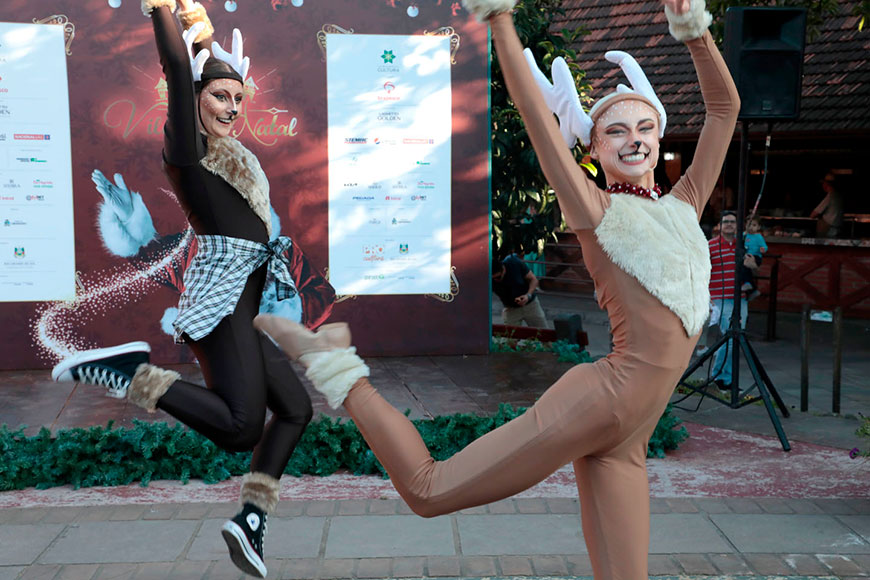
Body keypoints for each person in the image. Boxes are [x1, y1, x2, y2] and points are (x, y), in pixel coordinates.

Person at [253, 0, 740, 578]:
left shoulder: (685, 204)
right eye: (615, 131)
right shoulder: (596, 209)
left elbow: (724, 108)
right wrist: (500, 18)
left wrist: (693, 31)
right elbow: (537, 119)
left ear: (660, 137)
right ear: (593, 149)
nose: (633, 140)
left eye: (644, 128)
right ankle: (337, 368)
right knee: (429, 490)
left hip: (630, 436)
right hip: (602, 400)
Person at [50, 1, 312, 576]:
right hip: (220, 307)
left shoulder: (235, 163)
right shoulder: (188, 154)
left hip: (245, 310)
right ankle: (129, 374)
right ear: (196, 96)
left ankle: (251, 521)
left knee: (295, 409)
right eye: (221, 95)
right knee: (242, 427)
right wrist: (164, 9)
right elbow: (175, 65)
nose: (233, 108)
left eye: (239, 99)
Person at [708, 211, 747, 391]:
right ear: (720, 226)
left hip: (740, 298)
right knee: (729, 338)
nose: (730, 225)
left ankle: (726, 378)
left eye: (733, 222)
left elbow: (753, 267)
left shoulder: (743, 245)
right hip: (720, 297)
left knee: (736, 339)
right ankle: (720, 376)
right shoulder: (710, 246)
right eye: (726, 222)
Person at [491, 254, 547, 327]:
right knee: (510, 337)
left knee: (543, 333)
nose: (496, 280)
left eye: (498, 277)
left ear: (503, 269)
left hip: (530, 305)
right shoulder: (488, 277)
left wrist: (528, 295)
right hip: (510, 308)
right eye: (493, 278)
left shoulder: (513, 263)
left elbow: (533, 279)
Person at [740, 216, 767, 301]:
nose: (751, 227)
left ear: (758, 227)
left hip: (755, 256)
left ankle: (750, 286)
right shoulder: (744, 235)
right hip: (746, 256)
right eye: (749, 225)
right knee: (744, 270)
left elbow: (764, 246)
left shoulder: (758, 237)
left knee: (744, 267)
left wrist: (763, 249)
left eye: (754, 225)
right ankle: (752, 288)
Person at [810, 172, 844, 238]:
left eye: (823, 183)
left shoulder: (830, 197)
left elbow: (813, 214)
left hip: (829, 228)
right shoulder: (839, 196)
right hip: (837, 227)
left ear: (827, 184)